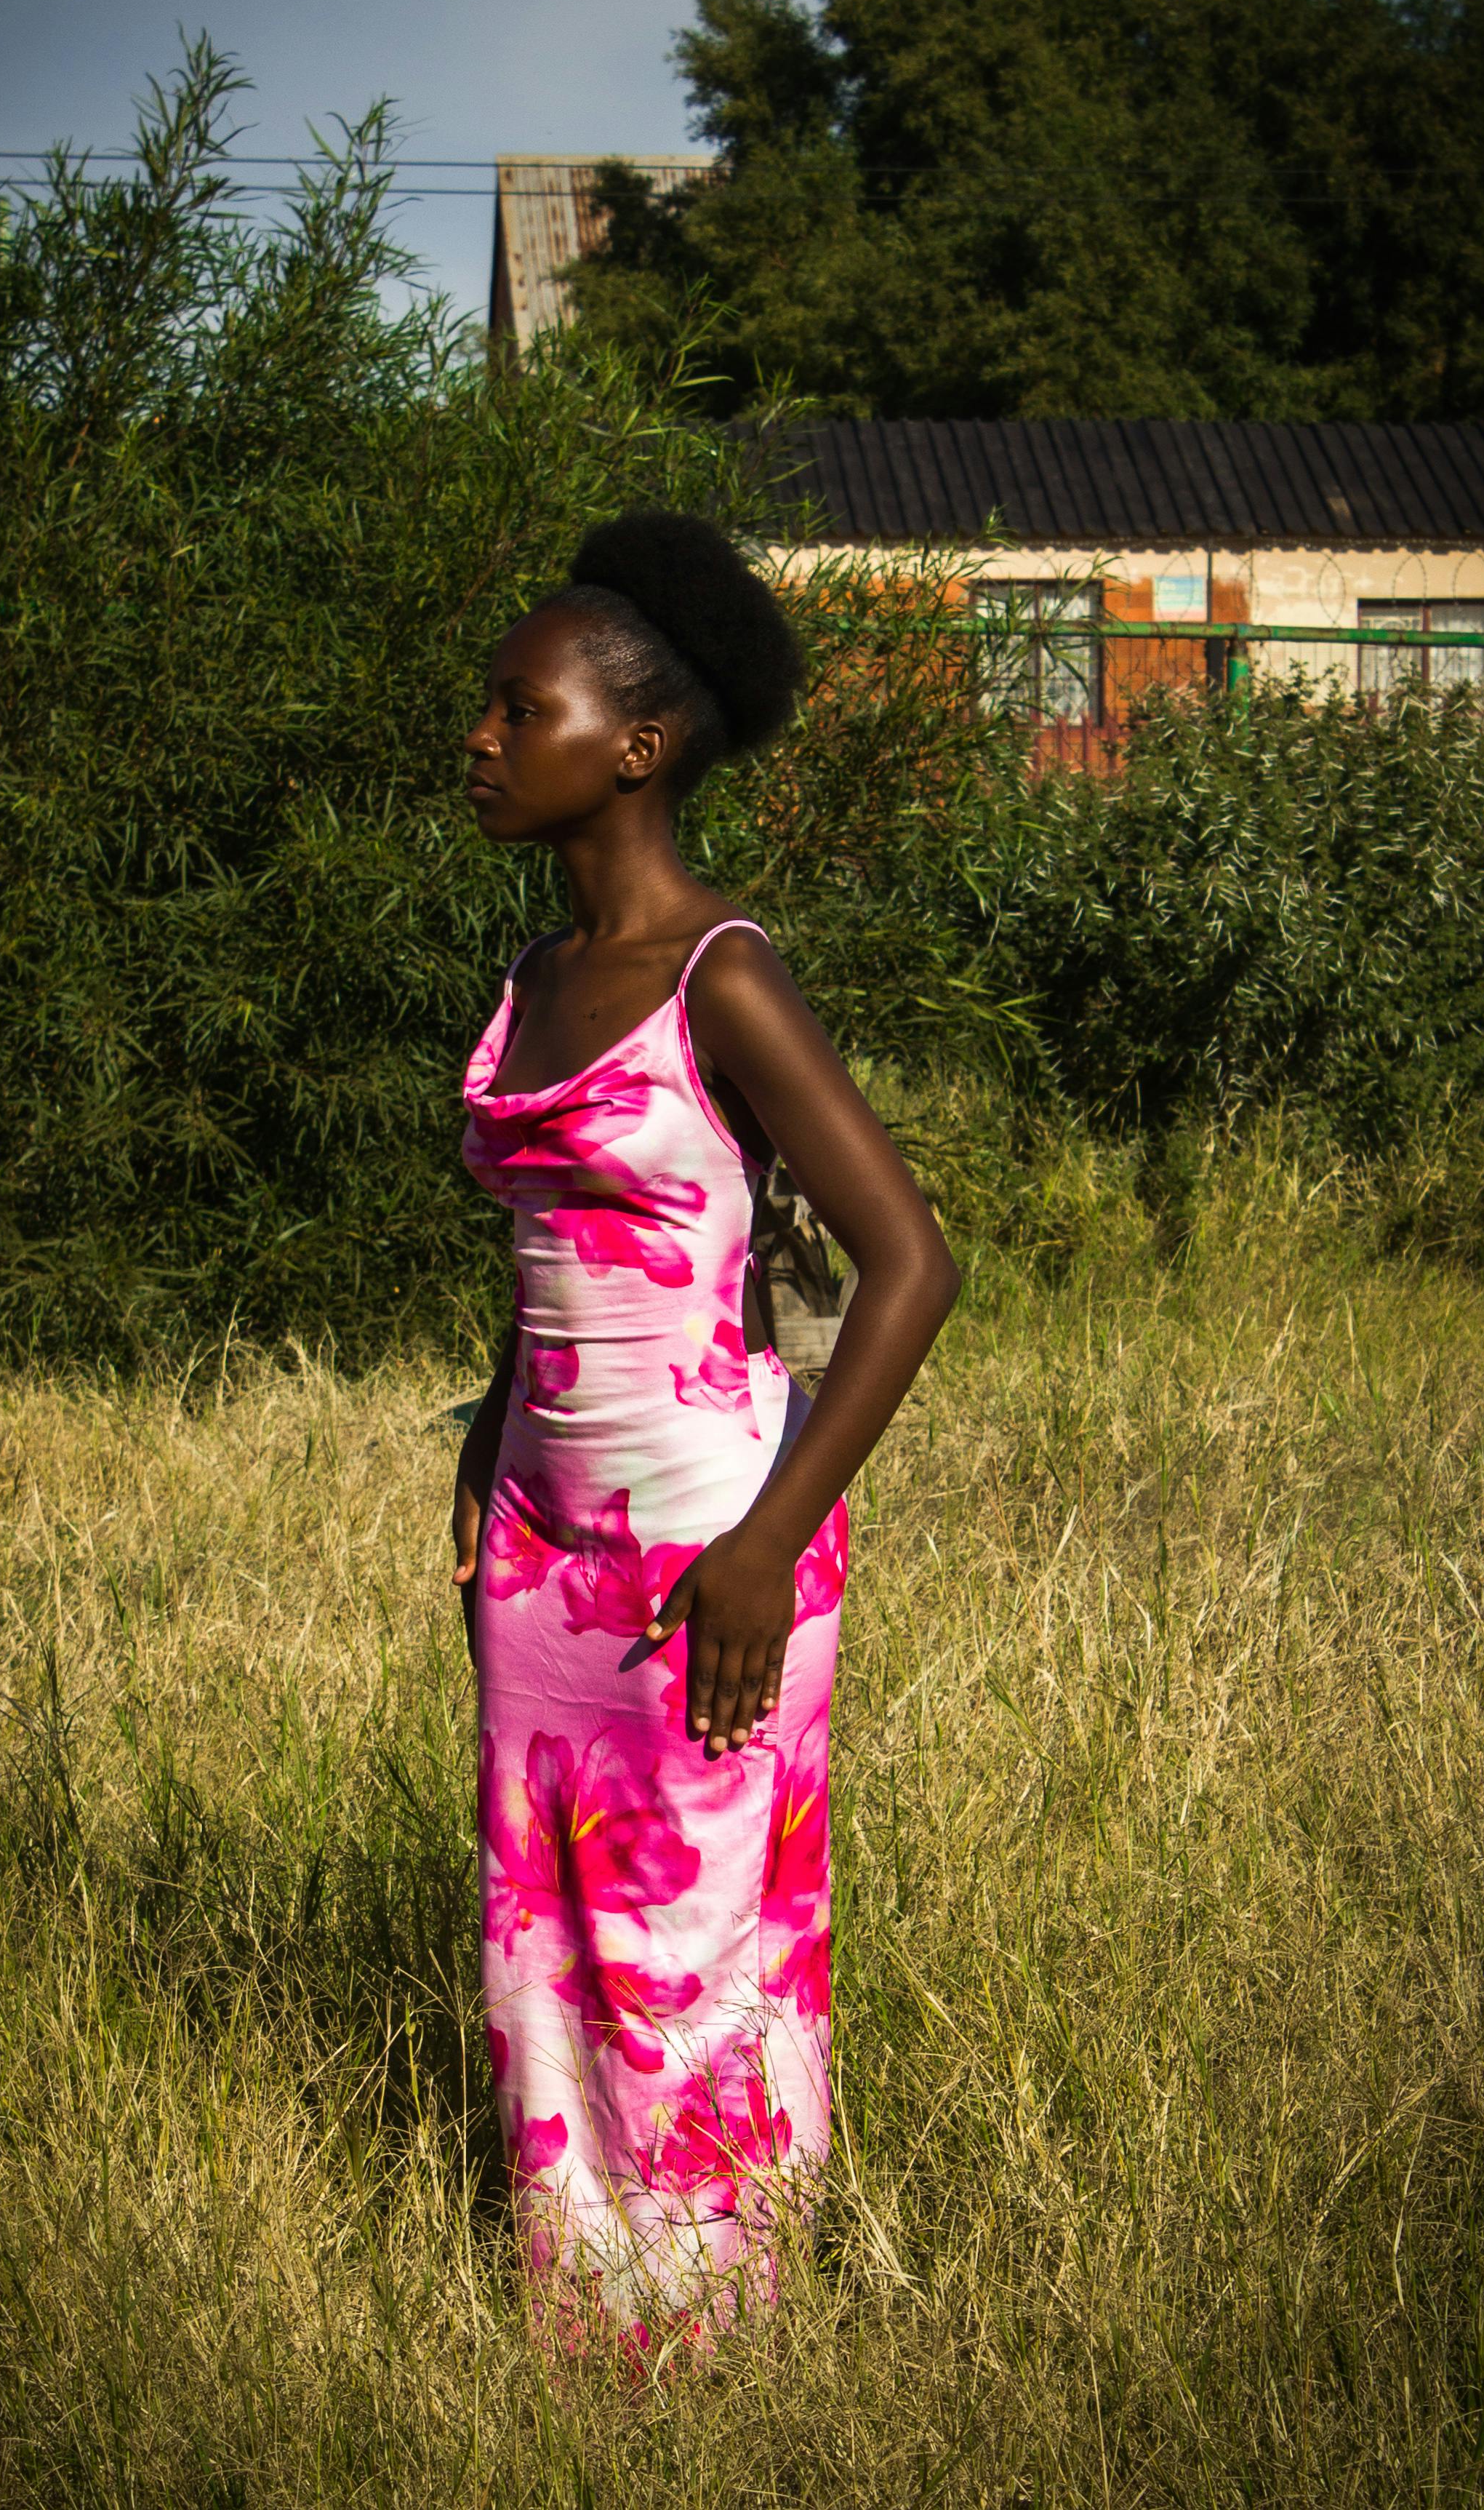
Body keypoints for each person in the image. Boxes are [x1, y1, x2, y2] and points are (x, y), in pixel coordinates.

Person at [452, 509, 960, 2344]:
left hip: (712, 1544)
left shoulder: (716, 975)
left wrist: (763, 1547)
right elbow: (545, 1265)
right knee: (541, 1947)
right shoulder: (526, 983)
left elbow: (909, 1265)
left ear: (639, 747)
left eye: (523, 710)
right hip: (538, 1541)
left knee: (689, 1947)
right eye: (488, 708)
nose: (484, 738)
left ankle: (722, 2338)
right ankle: (582, 2319)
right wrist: (482, 1468)